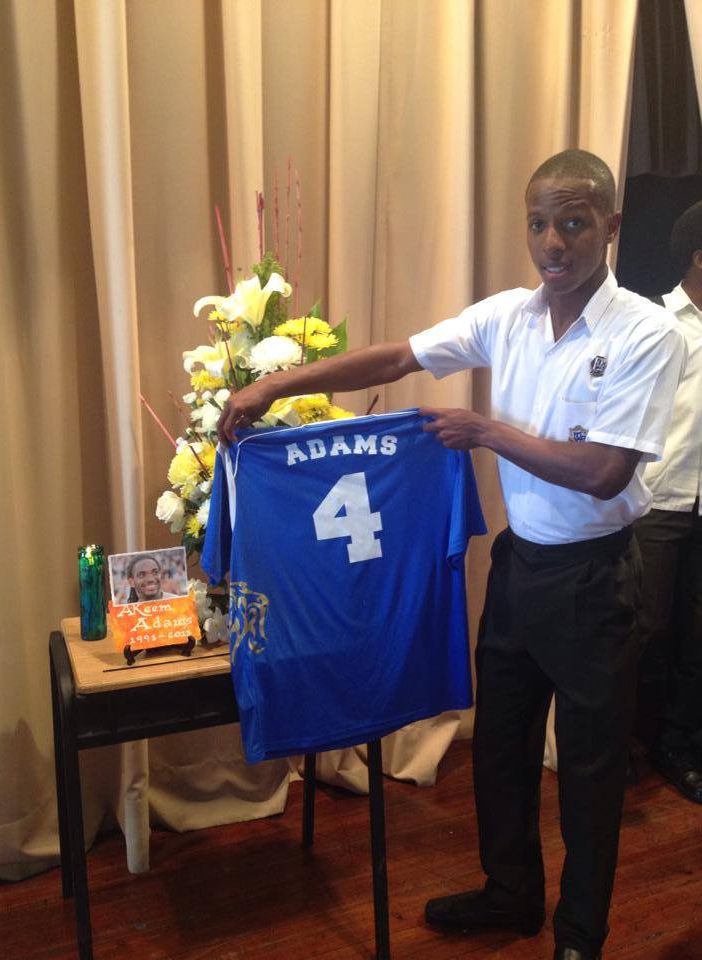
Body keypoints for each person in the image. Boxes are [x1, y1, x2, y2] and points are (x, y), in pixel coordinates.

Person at [217, 150, 686, 960]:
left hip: (594, 580)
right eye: (539, 223)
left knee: (588, 768)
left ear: (609, 228)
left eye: (573, 223)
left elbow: (606, 470)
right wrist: (275, 387)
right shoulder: (508, 314)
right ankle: (510, 895)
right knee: (498, 749)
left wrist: (483, 431)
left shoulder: (648, 333)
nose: (553, 242)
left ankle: (580, 933)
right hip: (519, 569)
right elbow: (399, 357)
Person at [634, 200, 702, 802]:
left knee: (697, 634)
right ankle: (623, 747)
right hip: (660, 500)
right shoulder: (658, 325)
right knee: (644, 628)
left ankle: (679, 745)